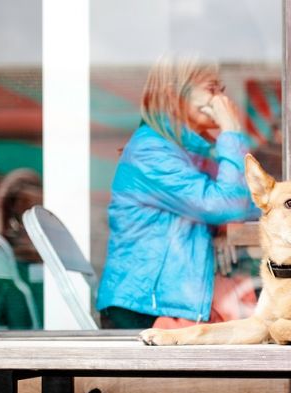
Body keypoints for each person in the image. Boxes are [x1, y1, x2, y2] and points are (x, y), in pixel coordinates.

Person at [97, 55, 259, 329]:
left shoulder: (189, 151)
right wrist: (231, 132)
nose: (221, 100)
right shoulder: (152, 151)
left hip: (169, 305)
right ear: (175, 93)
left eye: (222, 90)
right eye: (211, 88)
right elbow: (225, 205)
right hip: (145, 310)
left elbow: (245, 203)